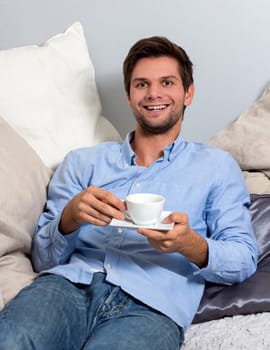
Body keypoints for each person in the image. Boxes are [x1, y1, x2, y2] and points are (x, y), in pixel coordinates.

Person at [0, 36, 258, 350]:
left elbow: (244, 258)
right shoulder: (83, 162)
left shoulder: (217, 166)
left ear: (187, 93)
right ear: (128, 95)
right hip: (67, 287)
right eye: (141, 84)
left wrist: (193, 246)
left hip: (152, 306)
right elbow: (42, 259)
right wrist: (68, 219)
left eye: (167, 82)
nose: (154, 94)